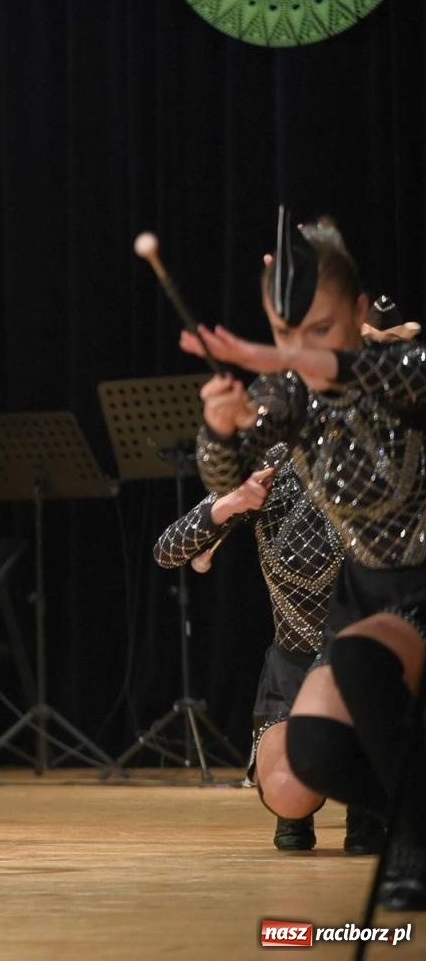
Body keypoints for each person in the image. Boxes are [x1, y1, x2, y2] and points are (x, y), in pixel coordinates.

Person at [185, 217, 426, 909]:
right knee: (313, 755)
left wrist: (328, 362)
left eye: (319, 329)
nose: (299, 350)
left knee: (359, 664)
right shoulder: (289, 396)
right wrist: (219, 426)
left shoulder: (402, 373)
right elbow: (224, 472)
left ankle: (410, 841)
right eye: (286, 334)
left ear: (357, 312)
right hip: (366, 587)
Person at [154, 450, 384, 853]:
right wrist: (231, 502)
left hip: (363, 667)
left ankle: (369, 807)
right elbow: (166, 551)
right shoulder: (272, 465)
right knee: (288, 796)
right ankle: (299, 808)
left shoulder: (378, 459)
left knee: (367, 835)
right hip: (292, 665)